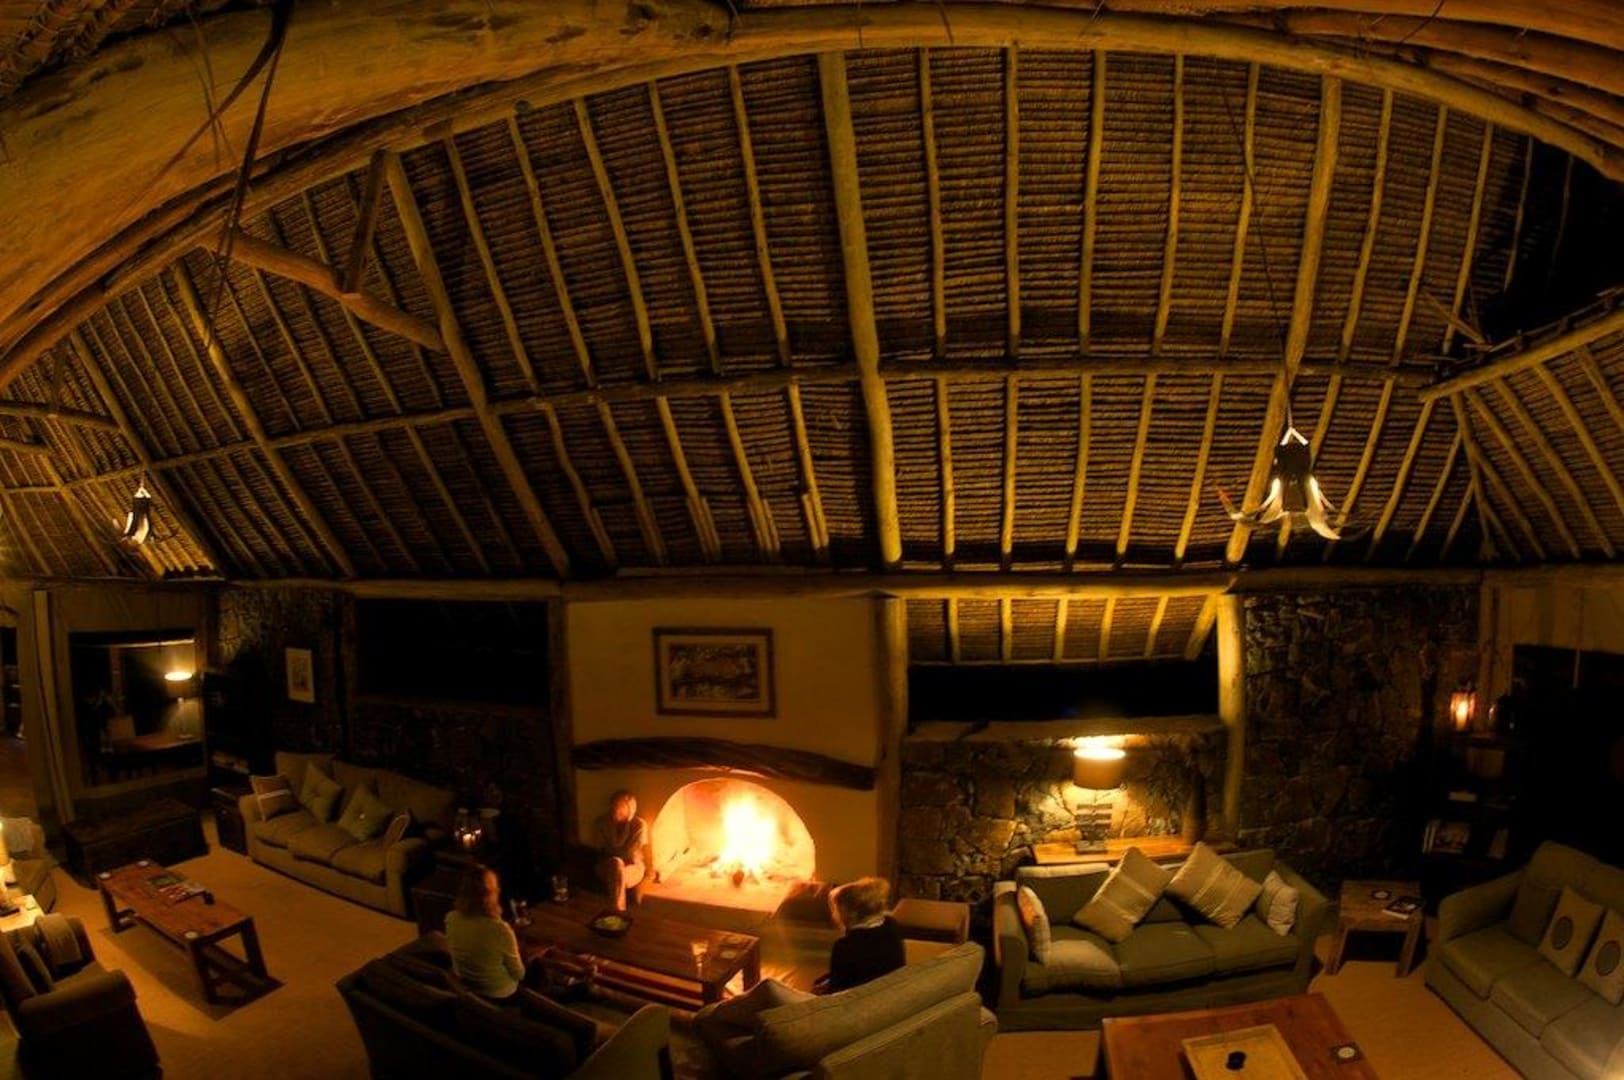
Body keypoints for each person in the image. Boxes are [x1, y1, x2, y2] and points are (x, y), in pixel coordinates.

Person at [444, 865, 530, 1000]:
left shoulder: (451, 918)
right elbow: (519, 975)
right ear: (490, 894)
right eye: (496, 888)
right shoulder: (500, 929)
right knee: (539, 969)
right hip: (499, 993)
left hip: (467, 984)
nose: (499, 890)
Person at [815, 876, 905, 993]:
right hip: (893, 991)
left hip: (863, 999)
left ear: (846, 913)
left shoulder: (845, 946)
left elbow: (837, 989)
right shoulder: (891, 924)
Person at [593, 789, 649, 911]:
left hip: (633, 868)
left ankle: (616, 910)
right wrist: (614, 858)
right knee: (615, 864)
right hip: (608, 866)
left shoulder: (639, 825)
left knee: (618, 867)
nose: (615, 809)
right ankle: (618, 910)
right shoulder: (601, 823)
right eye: (613, 805)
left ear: (630, 809)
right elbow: (599, 849)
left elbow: (630, 854)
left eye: (620, 807)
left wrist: (613, 850)